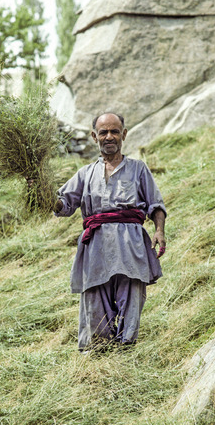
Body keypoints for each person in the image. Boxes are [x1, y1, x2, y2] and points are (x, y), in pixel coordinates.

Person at [54, 112, 166, 352]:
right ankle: (98, 351)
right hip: (96, 247)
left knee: (132, 297)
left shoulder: (138, 169)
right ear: (94, 137)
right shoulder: (85, 174)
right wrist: (44, 195)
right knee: (94, 298)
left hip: (131, 244)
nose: (109, 137)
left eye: (115, 131)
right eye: (103, 132)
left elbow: (156, 204)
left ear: (124, 135)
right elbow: (64, 205)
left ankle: (126, 348)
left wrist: (159, 231)